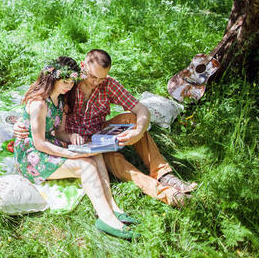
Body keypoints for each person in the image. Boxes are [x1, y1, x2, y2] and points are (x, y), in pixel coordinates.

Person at [16, 50, 196, 207]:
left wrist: (138, 131)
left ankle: (164, 174)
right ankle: (168, 194)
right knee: (119, 164)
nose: (96, 82)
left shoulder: (108, 84)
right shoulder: (69, 83)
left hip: (101, 134)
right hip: (80, 143)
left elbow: (142, 109)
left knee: (133, 118)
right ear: (83, 66)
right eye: (93, 77)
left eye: (101, 78)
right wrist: (19, 124)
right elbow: (39, 100)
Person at [15, 57, 140, 239]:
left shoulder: (60, 100)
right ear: (52, 79)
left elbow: (58, 132)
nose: (69, 86)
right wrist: (70, 154)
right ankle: (105, 218)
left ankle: (112, 207)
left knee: (95, 155)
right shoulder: (39, 104)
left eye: (72, 82)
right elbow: (40, 143)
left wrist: (70, 137)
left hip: (51, 145)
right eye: (64, 82)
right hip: (33, 156)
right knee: (86, 165)